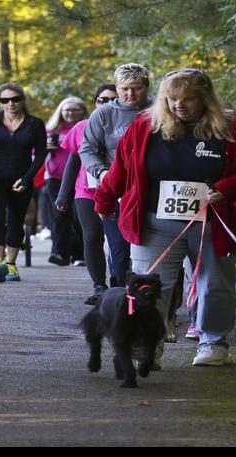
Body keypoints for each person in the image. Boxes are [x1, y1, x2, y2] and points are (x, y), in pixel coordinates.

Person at [94, 67, 236, 366]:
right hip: (154, 221)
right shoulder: (144, 127)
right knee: (149, 285)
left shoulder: (235, 130)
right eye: (172, 99)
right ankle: (147, 344)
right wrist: (104, 199)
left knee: (214, 284)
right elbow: (121, 168)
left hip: (214, 221)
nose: (179, 105)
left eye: (188, 99)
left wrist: (228, 188)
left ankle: (213, 342)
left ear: (205, 99)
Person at [80, 64, 153, 290]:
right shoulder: (104, 114)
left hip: (154, 189)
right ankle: (122, 300)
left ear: (146, 87)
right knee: (120, 250)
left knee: (151, 250)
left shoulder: (159, 109)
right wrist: (102, 172)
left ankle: (159, 305)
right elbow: (87, 149)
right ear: (117, 88)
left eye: (136, 88)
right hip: (119, 189)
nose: (130, 94)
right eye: (124, 89)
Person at [0, 83, 47, 283]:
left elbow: (41, 155)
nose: (10, 104)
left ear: (22, 100)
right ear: (0, 102)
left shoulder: (35, 123)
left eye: (15, 99)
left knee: (16, 221)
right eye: (5, 100)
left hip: (21, 178)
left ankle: (11, 265)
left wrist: (27, 178)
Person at [55, 84, 118, 305]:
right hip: (87, 191)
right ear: (95, 102)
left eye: (113, 99)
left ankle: (120, 284)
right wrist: (64, 194)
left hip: (119, 191)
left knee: (118, 240)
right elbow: (72, 162)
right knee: (92, 236)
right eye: (103, 100)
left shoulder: (127, 126)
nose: (107, 104)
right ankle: (99, 285)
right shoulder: (82, 126)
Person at [43, 96, 88, 267]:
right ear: (60, 112)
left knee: (78, 216)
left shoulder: (88, 128)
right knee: (59, 215)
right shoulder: (51, 130)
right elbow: (35, 151)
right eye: (66, 110)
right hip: (55, 178)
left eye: (74, 110)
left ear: (83, 111)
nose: (70, 113)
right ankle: (59, 253)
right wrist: (46, 147)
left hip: (80, 179)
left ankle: (79, 254)